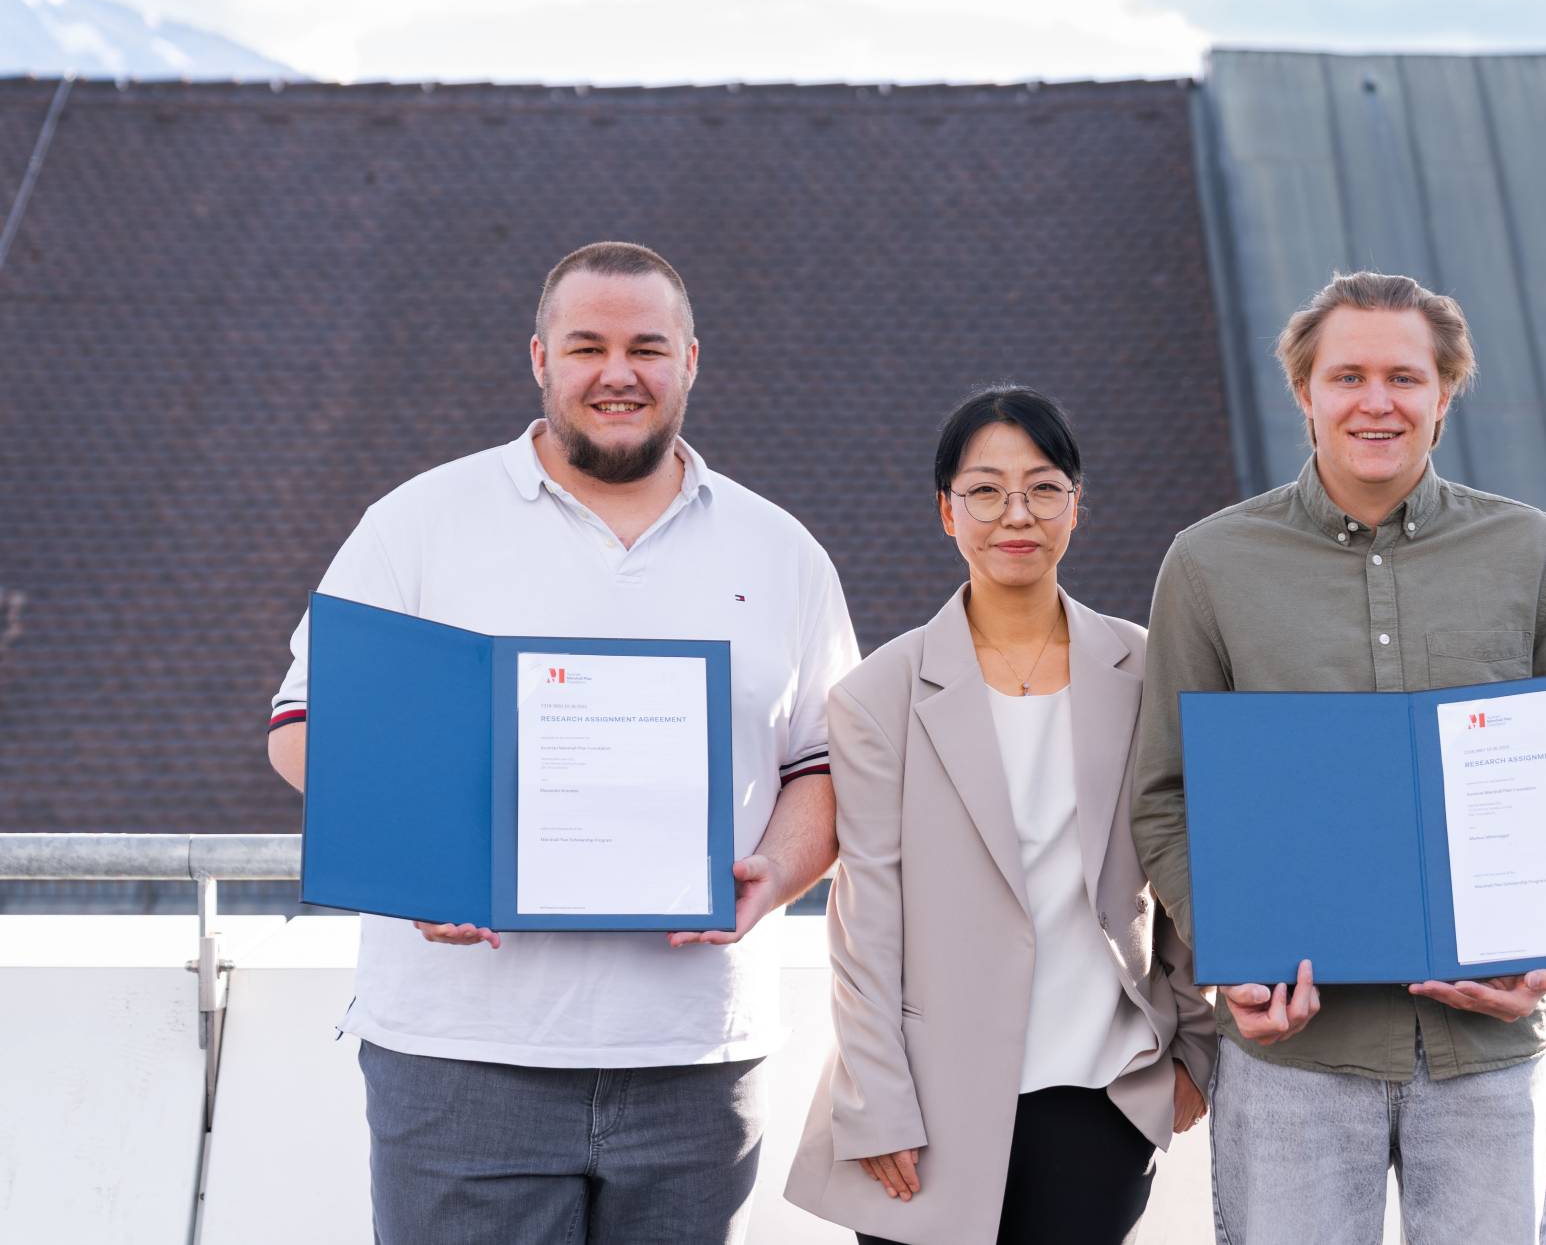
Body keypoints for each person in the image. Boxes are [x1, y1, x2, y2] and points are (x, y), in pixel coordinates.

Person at [265, 241, 858, 1243]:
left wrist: (778, 872)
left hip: (697, 1058)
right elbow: (305, 730)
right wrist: (424, 866)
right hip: (458, 1052)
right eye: (586, 345)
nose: (617, 372)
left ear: (690, 361)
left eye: (646, 346)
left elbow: (828, 766)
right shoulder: (418, 525)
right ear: (538, 358)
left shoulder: (779, 549)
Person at [1132, 271, 1546, 1244]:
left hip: (1491, 1052)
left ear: (1443, 397)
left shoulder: (1536, 557)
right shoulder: (1208, 563)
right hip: (1295, 1057)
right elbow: (1163, 796)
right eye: (1345, 375)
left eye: (1403, 376)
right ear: (1304, 394)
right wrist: (1234, 960)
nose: (1375, 400)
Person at [785, 386, 1216, 1245]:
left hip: (1104, 1087)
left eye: (1044, 486)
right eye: (985, 489)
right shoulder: (879, 694)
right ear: (947, 511)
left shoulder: (1142, 665)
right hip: (928, 1108)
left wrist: (1197, 1049)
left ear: (1075, 506)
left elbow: (1185, 861)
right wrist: (877, 1104)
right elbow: (865, 917)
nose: (1015, 512)